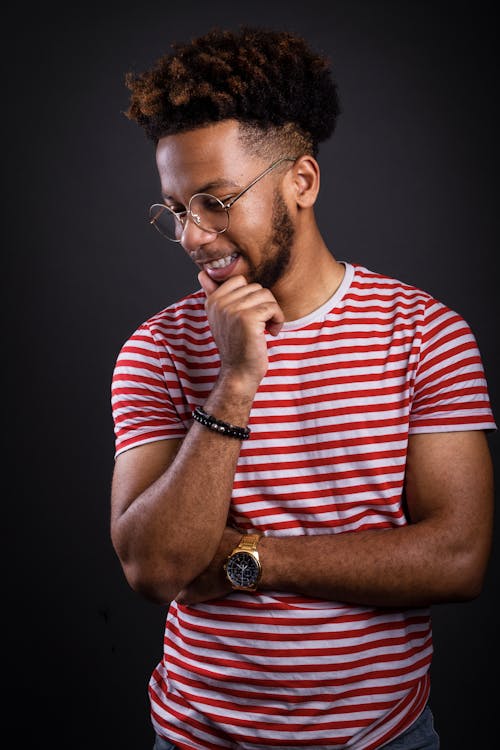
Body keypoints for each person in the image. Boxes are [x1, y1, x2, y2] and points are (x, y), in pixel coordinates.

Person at [110, 26, 496, 750]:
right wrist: (234, 384)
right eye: (177, 208)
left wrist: (245, 558)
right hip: (198, 738)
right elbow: (157, 566)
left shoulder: (427, 335)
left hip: (385, 738)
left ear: (303, 182)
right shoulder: (155, 348)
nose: (193, 235)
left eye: (216, 201)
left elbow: (456, 557)